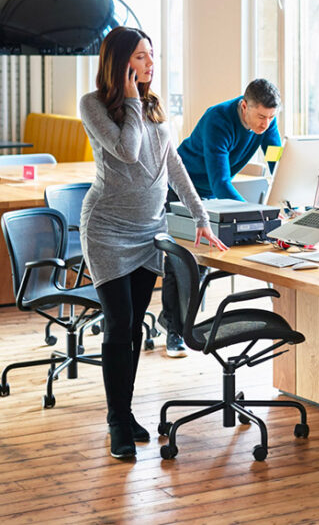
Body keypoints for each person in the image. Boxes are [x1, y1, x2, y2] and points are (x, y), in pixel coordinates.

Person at [79, 27, 227, 460]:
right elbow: (127, 150)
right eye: (141, 57)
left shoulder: (154, 108)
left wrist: (201, 217)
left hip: (147, 232)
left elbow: (174, 167)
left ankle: (125, 413)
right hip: (106, 229)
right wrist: (129, 100)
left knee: (135, 324)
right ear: (121, 62)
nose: (150, 64)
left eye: (152, 56)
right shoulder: (94, 105)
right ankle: (115, 422)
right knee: (119, 323)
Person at [159, 79, 282, 357]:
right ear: (244, 106)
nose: (266, 124)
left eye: (272, 117)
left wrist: (288, 197)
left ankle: (176, 320)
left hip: (212, 195)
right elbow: (220, 183)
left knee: (200, 265)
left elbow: (276, 161)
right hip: (182, 188)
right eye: (261, 116)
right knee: (181, 261)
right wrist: (257, 214)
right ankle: (174, 330)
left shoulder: (268, 123)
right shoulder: (218, 120)